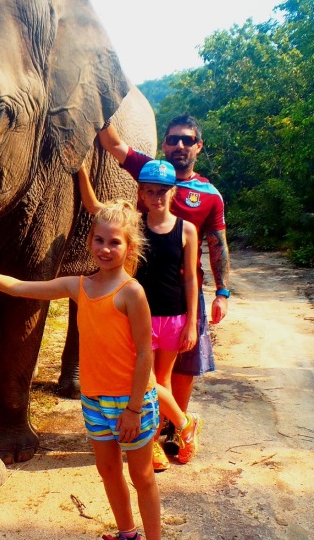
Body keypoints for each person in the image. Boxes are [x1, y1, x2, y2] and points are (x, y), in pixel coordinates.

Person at [0, 201, 161, 540]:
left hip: (133, 403)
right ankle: (128, 534)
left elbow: (144, 355)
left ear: (129, 247)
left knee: (142, 477)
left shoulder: (132, 293)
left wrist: (134, 410)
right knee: (108, 472)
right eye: (99, 240)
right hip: (95, 401)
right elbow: (21, 287)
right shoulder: (78, 286)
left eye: (115, 242)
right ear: (89, 242)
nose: (106, 249)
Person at [96, 113, 230, 454]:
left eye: (187, 139)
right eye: (173, 139)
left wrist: (222, 292)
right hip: (144, 298)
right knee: (146, 371)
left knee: (182, 366)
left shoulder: (209, 195)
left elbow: (217, 243)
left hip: (183, 298)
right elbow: (113, 144)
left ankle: (174, 426)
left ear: (199, 146)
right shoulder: (148, 170)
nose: (179, 145)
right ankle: (164, 430)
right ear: (164, 144)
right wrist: (101, 107)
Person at [78, 159, 201, 471]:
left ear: (173, 192)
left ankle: (157, 440)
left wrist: (191, 323)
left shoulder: (187, 230)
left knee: (161, 380)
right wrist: (80, 167)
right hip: (138, 317)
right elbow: (94, 206)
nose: (156, 197)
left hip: (173, 316)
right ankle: (183, 423)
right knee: (146, 380)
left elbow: (190, 279)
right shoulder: (133, 225)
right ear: (141, 193)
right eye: (149, 191)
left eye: (162, 191)